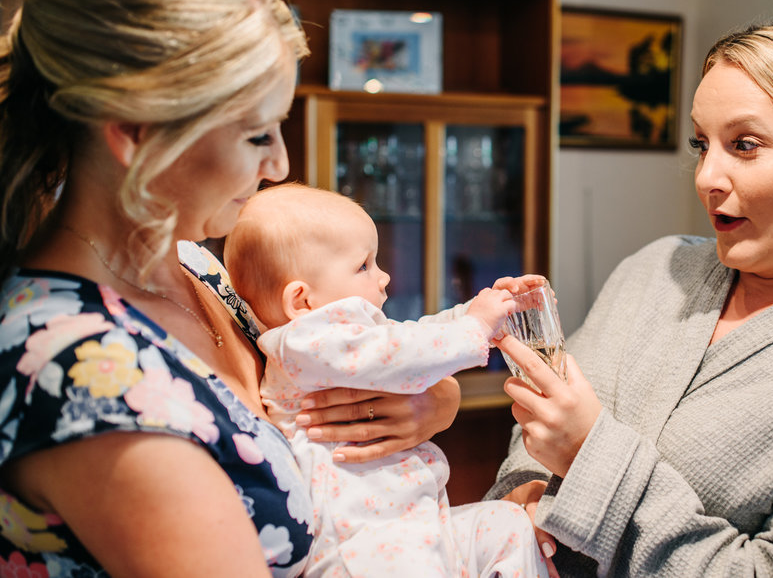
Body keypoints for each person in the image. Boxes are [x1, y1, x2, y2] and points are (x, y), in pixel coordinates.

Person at [0, 0, 460, 575]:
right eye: (255, 135)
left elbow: (332, 377)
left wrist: (427, 403)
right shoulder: (79, 373)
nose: (278, 164)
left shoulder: (198, 268)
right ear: (135, 130)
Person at [487, 15, 773, 577]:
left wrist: (589, 458)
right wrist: (525, 490)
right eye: (703, 144)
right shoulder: (655, 269)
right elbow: (542, 421)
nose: (706, 176)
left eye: (744, 145)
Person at [223, 183, 552, 577]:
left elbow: (406, 338)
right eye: (364, 266)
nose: (383, 277)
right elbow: (402, 351)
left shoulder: (353, 341)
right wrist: (474, 326)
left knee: (508, 525)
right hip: (362, 545)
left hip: (414, 526)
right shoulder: (304, 343)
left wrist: (480, 313)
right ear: (302, 301)